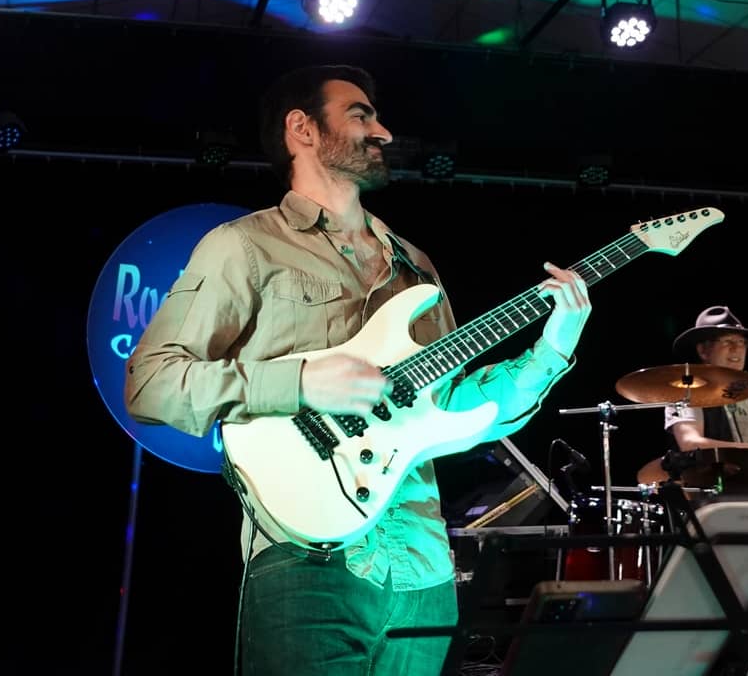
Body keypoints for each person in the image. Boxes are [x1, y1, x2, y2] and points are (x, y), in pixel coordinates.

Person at [123, 65, 592, 676]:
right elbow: (151, 382)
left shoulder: (416, 267)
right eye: (360, 115)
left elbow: (455, 412)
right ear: (302, 130)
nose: (385, 132)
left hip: (423, 570)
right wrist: (300, 383)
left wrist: (551, 349)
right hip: (309, 561)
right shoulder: (244, 246)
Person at [663, 306, 748, 462]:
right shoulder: (686, 391)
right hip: (714, 482)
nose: (737, 348)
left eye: (742, 342)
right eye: (727, 341)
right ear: (703, 351)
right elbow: (691, 444)